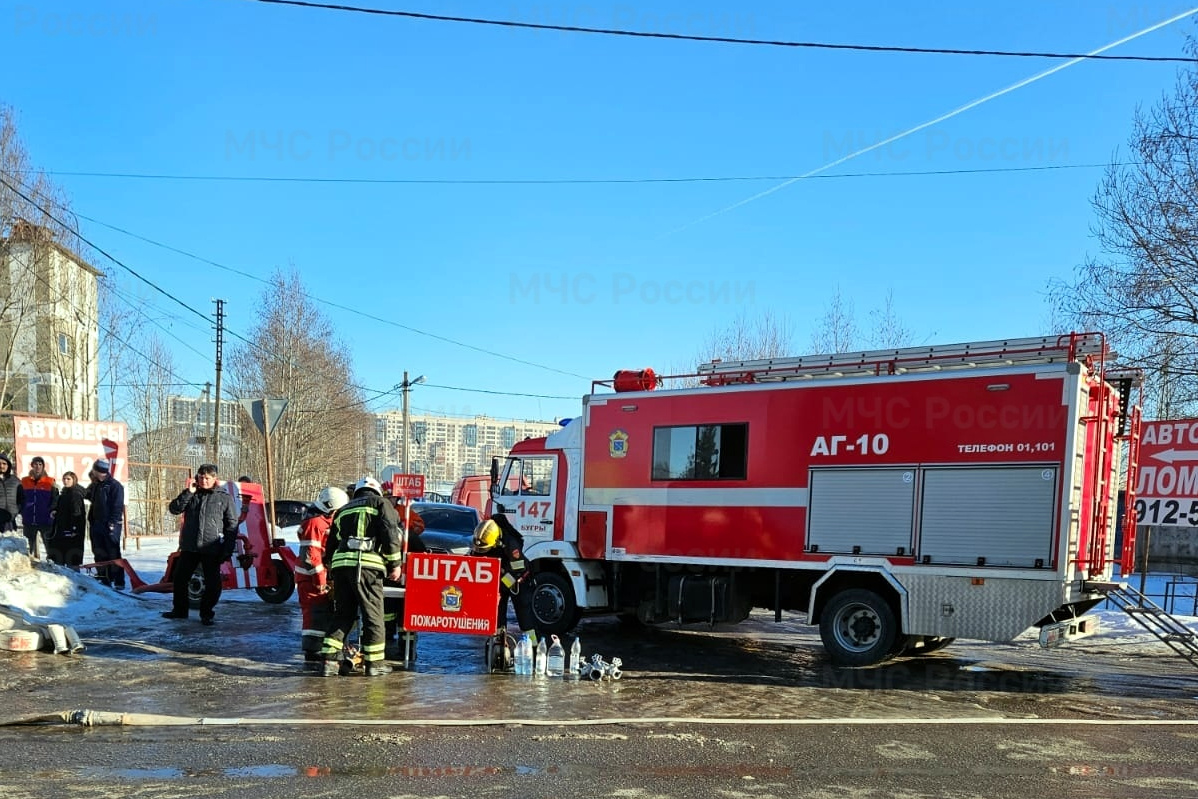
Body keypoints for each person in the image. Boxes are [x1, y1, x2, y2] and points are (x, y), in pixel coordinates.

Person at [317, 476, 403, 677]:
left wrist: (331, 569)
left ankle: (329, 662)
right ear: (377, 492)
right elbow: (390, 532)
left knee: (343, 615)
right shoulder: (381, 503)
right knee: (373, 615)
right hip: (367, 567)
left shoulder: (343, 510)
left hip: (341, 567)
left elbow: (331, 544)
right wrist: (395, 564)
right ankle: (374, 664)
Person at [163, 463, 238, 625]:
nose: (204, 480)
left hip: (211, 547)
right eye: (201, 477)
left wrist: (228, 548)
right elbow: (174, 509)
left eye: (207, 478)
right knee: (180, 578)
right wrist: (188, 493)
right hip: (190, 546)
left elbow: (231, 524)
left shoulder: (223, 498)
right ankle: (180, 611)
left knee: (213, 583)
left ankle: (206, 613)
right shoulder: (192, 494)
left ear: (214, 479)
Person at [295, 485, 349, 669]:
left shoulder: (321, 522)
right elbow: (312, 556)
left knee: (321, 614)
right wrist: (320, 581)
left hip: (316, 578)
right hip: (311, 580)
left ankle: (315, 651)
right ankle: (312, 652)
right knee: (314, 616)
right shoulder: (315, 523)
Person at [471, 511, 538, 649]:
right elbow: (475, 559)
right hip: (500, 579)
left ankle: (534, 647)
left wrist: (501, 583)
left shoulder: (511, 544)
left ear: (496, 541)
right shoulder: (484, 539)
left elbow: (518, 572)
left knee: (524, 617)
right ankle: (499, 644)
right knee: (497, 614)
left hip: (519, 581)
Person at [85, 459, 125, 589]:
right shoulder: (95, 485)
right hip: (96, 523)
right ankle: (104, 577)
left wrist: (113, 522)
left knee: (113, 552)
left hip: (110, 524)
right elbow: (87, 495)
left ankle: (119, 580)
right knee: (99, 551)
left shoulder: (115, 486)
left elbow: (118, 506)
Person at [20, 456, 59, 559]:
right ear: (32, 466)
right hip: (29, 520)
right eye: (35, 464)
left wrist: (51, 511)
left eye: (40, 464)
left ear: (43, 467)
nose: (37, 466)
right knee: (28, 549)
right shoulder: (24, 481)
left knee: (50, 547)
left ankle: (51, 567)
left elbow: (55, 499)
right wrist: (22, 510)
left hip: (45, 520)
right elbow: (19, 498)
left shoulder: (50, 481)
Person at [47, 471, 86, 569]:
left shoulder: (75, 494)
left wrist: (74, 529)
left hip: (71, 532)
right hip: (62, 530)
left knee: (71, 560)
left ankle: (74, 582)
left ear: (74, 480)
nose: (66, 481)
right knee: (60, 558)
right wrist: (55, 511)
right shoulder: (64, 493)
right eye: (64, 479)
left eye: (68, 479)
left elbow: (77, 514)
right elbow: (60, 508)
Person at [0, 453, 25, 535]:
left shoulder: (15, 481)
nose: (2, 466)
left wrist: (17, 511)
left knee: (10, 546)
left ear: (8, 465)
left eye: (4, 463)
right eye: (0, 463)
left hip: (10, 521)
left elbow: (22, 499)